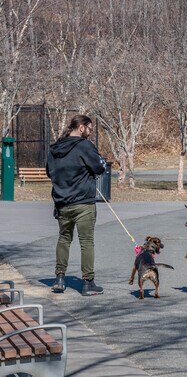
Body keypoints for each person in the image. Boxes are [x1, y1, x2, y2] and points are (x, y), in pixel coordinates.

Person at [46, 115, 106, 296]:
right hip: (83, 203)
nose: (90, 132)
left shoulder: (54, 148)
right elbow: (100, 167)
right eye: (89, 128)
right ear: (81, 128)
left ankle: (59, 278)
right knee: (86, 242)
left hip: (62, 202)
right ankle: (88, 282)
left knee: (64, 239)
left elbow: (50, 172)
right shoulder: (84, 145)